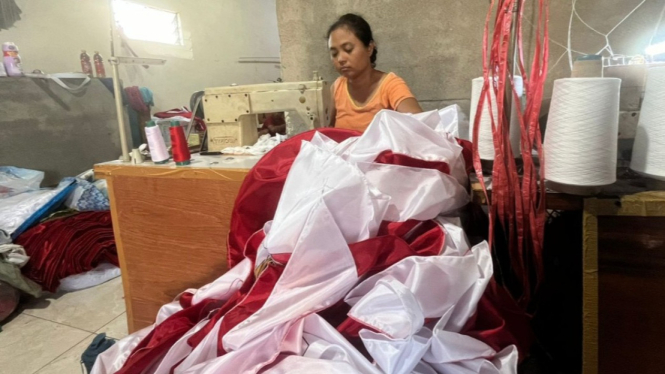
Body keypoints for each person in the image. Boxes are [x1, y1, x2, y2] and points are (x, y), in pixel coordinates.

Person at [327, 13, 422, 132]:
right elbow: (328, 132)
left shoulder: (391, 86)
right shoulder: (337, 88)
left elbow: (421, 129)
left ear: (369, 48)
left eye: (348, 49)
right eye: (334, 53)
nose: (340, 59)